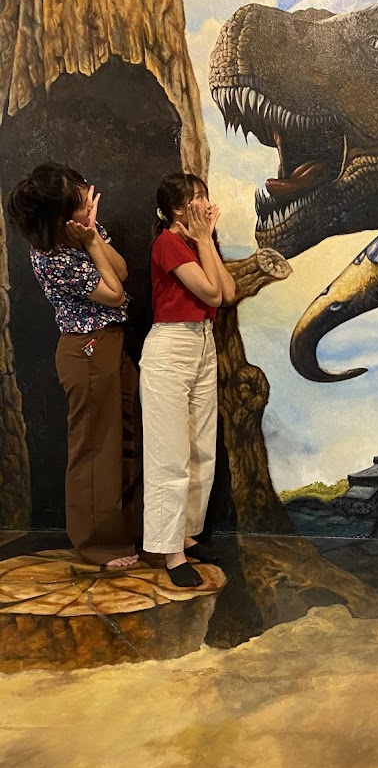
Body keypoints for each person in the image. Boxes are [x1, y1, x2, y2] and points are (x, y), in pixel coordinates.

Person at [6, 162, 140, 569]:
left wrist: (93, 235)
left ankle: (130, 529)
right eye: (82, 201)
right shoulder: (52, 258)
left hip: (111, 343)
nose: (90, 203)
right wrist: (93, 240)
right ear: (60, 217)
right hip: (87, 349)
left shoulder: (83, 232)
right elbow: (115, 295)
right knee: (95, 448)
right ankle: (97, 544)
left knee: (126, 437)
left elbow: (122, 271)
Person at [139, 172, 235, 587]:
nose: (206, 203)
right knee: (170, 452)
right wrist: (203, 240)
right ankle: (170, 551)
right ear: (178, 209)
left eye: (205, 195)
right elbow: (210, 294)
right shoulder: (167, 243)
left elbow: (227, 292)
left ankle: (186, 533)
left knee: (200, 447)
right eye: (197, 197)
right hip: (171, 346)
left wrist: (206, 240)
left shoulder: (198, 244)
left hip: (202, 341)